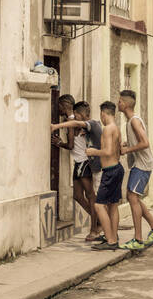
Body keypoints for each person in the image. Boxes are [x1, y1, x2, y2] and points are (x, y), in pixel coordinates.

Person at [116, 89, 153, 250]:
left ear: (124, 104)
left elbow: (145, 143)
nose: (118, 104)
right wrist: (128, 144)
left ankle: (138, 239)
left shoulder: (134, 121)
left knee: (132, 197)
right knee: (134, 198)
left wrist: (127, 150)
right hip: (140, 164)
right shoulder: (131, 121)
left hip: (142, 165)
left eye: (119, 101)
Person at [51, 99, 102, 241]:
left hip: (84, 161)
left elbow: (71, 145)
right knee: (78, 195)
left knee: (90, 195)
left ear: (64, 106)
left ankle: (95, 228)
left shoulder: (73, 121)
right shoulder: (74, 120)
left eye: (59, 106)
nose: (58, 109)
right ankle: (98, 220)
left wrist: (59, 142)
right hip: (79, 162)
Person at [86, 102, 124, 250]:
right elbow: (118, 149)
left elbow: (107, 151)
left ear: (103, 114)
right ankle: (113, 237)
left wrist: (92, 152)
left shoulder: (108, 129)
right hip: (116, 168)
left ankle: (111, 241)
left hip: (110, 171)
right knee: (113, 205)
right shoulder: (116, 128)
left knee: (98, 205)